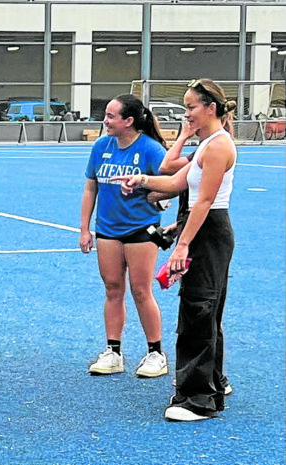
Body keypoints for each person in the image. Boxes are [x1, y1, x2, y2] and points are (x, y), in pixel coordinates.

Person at [114, 78, 237, 421]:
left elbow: (205, 201)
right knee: (205, 311)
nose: (186, 115)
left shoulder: (217, 147)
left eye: (191, 107)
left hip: (209, 230)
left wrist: (181, 244)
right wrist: (142, 180)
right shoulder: (206, 144)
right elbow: (173, 182)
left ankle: (198, 399)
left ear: (210, 108)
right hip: (205, 228)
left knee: (198, 311)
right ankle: (211, 384)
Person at [79, 94, 168, 378]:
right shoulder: (101, 147)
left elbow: (172, 185)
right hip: (107, 230)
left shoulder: (151, 150)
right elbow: (90, 188)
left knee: (141, 291)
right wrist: (85, 228)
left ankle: (156, 353)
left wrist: (154, 194)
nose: (105, 120)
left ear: (128, 121)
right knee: (112, 288)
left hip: (141, 230)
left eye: (111, 116)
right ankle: (113, 352)